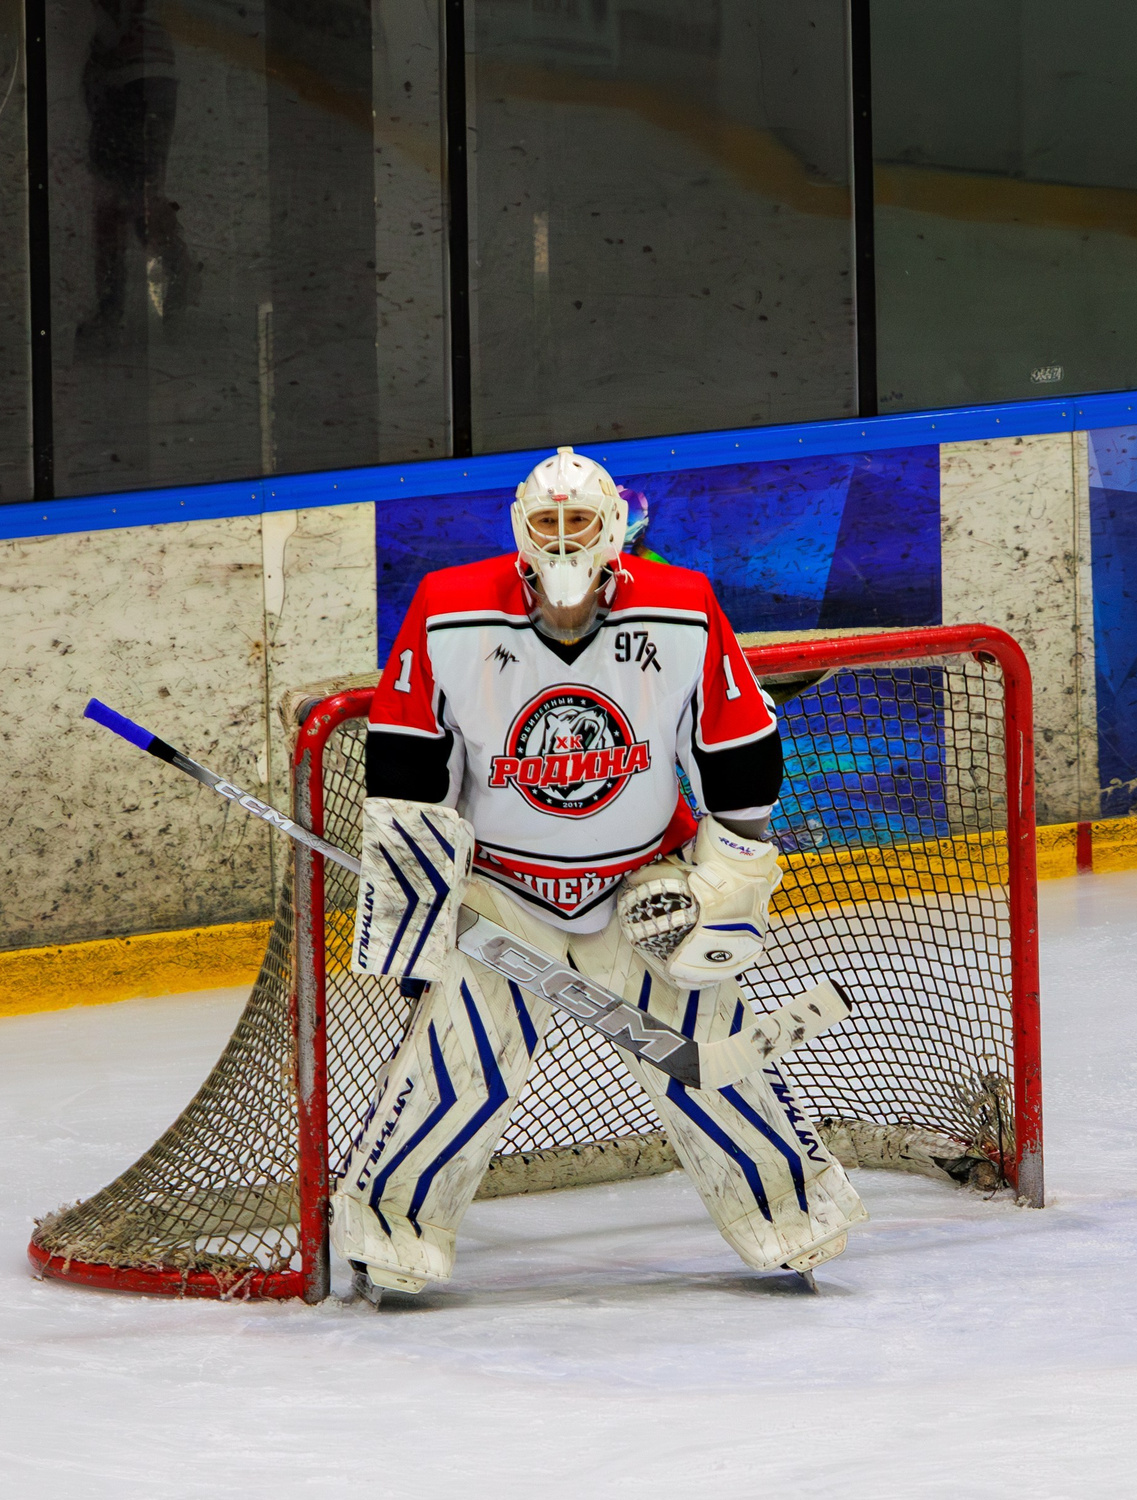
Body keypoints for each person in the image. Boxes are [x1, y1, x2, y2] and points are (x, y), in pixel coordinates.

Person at [335, 447, 868, 1296]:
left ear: (613, 526)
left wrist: (727, 891)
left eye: (577, 521)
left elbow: (738, 753)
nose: (561, 539)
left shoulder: (684, 607)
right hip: (500, 897)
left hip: (643, 890)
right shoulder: (448, 610)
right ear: (518, 525)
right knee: (458, 1065)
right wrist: (417, 925)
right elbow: (406, 768)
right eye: (545, 522)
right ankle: (391, 1231)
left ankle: (790, 1216)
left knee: (709, 1059)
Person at [77, 0, 196, 350]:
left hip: (129, 82)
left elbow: (111, 26)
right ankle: (176, 269)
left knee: (113, 201)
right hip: (152, 77)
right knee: (138, 194)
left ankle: (111, 313)